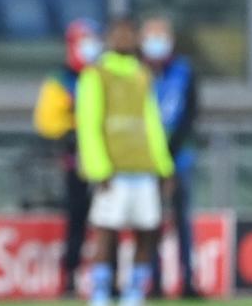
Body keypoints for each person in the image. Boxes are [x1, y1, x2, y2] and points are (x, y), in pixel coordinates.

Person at [77, 17, 174, 306]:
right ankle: (101, 292)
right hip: (113, 170)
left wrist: (164, 166)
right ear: (108, 38)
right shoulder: (95, 73)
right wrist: (98, 168)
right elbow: (88, 123)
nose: (124, 39)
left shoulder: (143, 73)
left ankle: (134, 292)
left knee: (147, 231)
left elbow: (152, 124)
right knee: (106, 231)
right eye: (118, 34)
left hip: (143, 168)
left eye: (129, 35)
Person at [34, 18, 104, 295]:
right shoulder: (61, 80)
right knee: (77, 221)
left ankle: (105, 276)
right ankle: (70, 277)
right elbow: (46, 122)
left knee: (107, 222)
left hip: (105, 162)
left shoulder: (101, 76)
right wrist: (74, 130)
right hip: (77, 162)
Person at [141, 16, 200, 298]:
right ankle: (154, 281)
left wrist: (170, 151)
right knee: (151, 221)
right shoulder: (137, 73)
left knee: (182, 220)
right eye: (151, 37)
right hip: (146, 159)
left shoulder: (184, 71)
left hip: (180, 158)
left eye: (160, 37)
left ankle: (188, 281)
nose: (156, 44)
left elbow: (190, 114)